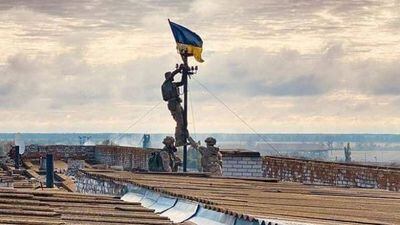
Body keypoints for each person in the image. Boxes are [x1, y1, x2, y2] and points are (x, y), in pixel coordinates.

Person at [161, 64, 188, 147]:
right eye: (170, 76)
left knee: (184, 121)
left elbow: (182, 82)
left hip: (177, 103)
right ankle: (178, 140)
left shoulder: (173, 84)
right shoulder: (165, 84)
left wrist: (184, 72)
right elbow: (172, 75)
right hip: (173, 104)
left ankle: (183, 138)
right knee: (180, 122)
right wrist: (179, 69)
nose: (172, 77)